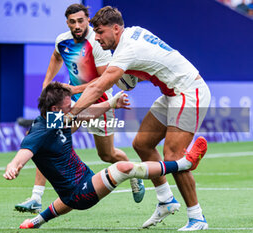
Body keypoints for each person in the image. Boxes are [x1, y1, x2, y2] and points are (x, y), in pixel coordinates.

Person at [66, 6, 211, 231]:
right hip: (172, 93)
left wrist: (71, 114)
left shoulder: (126, 50)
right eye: (95, 32)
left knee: (173, 154)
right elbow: (146, 68)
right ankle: (166, 200)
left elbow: (98, 87)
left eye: (100, 31)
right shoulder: (134, 33)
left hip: (189, 92)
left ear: (116, 28)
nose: (96, 37)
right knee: (142, 144)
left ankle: (197, 218)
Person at [3, 82, 208, 229]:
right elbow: (25, 151)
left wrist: (111, 103)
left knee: (69, 196)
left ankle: (36, 221)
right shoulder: (41, 129)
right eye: (69, 106)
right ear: (56, 108)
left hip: (77, 188)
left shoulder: (56, 117)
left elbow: (84, 113)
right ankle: (184, 163)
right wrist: (14, 165)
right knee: (123, 168)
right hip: (80, 192)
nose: (73, 107)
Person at [15, 3, 144, 213]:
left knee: (107, 154)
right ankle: (36, 197)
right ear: (67, 22)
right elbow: (56, 57)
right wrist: (46, 84)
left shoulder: (97, 43)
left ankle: (133, 173)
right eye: (72, 21)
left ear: (87, 20)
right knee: (48, 138)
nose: (77, 25)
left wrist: (74, 88)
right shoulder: (62, 40)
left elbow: (104, 80)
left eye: (81, 20)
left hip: (99, 102)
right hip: (72, 103)